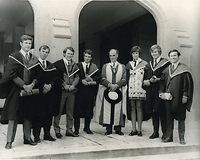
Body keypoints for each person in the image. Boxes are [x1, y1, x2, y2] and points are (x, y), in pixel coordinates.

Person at [0, 35, 41, 149]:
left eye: (29, 43)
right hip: (16, 90)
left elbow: (38, 74)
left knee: (28, 114)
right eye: (26, 43)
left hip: (29, 90)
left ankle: (27, 138)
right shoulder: (14, 57)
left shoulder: (34, 59)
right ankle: (9, 141)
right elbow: (11, 74)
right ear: (21, 44)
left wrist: (32, 84)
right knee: (13, 116)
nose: (28, 45)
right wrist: (24, 85)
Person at [159, 49, 194, 145]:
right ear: (169, 57)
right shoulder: (167, 70)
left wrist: (185, 96)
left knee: (181, 118)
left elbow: (187, 84)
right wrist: (162, 93)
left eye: (175, 55)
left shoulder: (184, 69)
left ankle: (181, 138)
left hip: (180, 98)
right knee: (168, 118)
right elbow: (162, 83)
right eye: (171, 56)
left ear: (178, 56)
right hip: (168, 98)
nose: (173, 57)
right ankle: (169, 137)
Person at [96, 49, 127, 135]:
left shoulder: (122, 66)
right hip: (108, 90)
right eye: (110, 56)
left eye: (113, 55)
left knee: (118, 108)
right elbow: (102, 78)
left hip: (118, 90)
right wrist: (110, 85)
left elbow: (124, 79)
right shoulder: (105, 66)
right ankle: (108, 128)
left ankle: (118, 128)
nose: (112, 57)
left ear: (117, 55)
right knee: (108, 108)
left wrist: (117, 85)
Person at [143, 44, 170, 140]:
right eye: (152, 52)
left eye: (156, 52)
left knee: (162, 112)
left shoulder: (166, 63)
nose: (154, 54)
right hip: (151, 91)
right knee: (153, 112)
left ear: (160, 52)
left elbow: (168, 77)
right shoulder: (149, 64)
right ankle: (155, 132)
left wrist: (158, 79)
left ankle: (165, 133)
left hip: (160, 90)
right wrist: (145, 81)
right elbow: (145, 77)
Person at [32, 45, 57, 143]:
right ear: (39, 51)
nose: (45, 54)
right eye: (43, 51)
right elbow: (34, 78)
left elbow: (55, 78)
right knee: (37, 115)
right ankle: (36, 136)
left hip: (49, 94)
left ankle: (47, 134)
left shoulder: (51, 65)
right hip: (38, 94)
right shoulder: (34, 64)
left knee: (48, 114)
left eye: (47, 52)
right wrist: (43, 86)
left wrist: (50, 85)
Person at [53, 46, 79, 138]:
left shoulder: (75, 65)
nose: (70, 56)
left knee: (70, 112)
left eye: (71, 54)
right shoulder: (57, 64)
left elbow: (77, 76)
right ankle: (57, 130)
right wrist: (64, 85)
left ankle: (69, 130)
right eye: (68, 54)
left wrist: (73, 85)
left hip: (71, 91)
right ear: (64, 54)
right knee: (58, 111)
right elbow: (56, 77)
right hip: (61, 91)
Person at [74, 49, 100, 136]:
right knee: (77, 110)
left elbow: (98, 78)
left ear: (91, 58)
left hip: (89, 91)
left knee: (88, 109)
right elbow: (76, 76)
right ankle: (76, 129)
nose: (87, 58)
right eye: (85, 56)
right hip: (80, 91)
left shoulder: (94, 67)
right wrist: (82, 80)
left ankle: (87, 127)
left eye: (89, 57)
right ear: (83, 56)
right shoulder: (78, 65)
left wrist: (91, 79)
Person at [126, 46, 148, 137]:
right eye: (133, 53)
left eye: (137, 53)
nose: (135, 55)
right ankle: (133, 129)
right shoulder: (129, 64)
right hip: (131, 89)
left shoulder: (144, 64)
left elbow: (146, 76)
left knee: (139, 107)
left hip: (140, 89)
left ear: (139, 54)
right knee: (132, 108)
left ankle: (139, 129)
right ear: (131, 54)